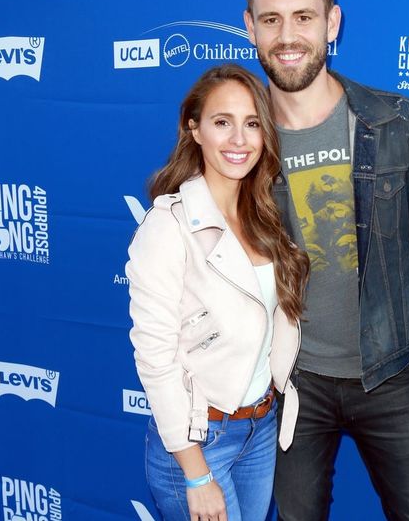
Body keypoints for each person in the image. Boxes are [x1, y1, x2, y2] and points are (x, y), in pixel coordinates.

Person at [243, 0, 409, 521]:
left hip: (391, 374)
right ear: (250, 28)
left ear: (332, 23)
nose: (288, 36)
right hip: (292, 382)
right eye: (271, 19)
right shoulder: (239, 143)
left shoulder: (397, 123)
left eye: (304, 17)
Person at [126, 64, 309, 521]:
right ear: (195, 129)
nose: (239, 140)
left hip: (260, 428)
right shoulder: (167, 226)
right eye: (222, 122)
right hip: (198, 440)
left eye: (252, 124)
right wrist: (195, 474)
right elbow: (155, 358)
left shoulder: (265, 217)